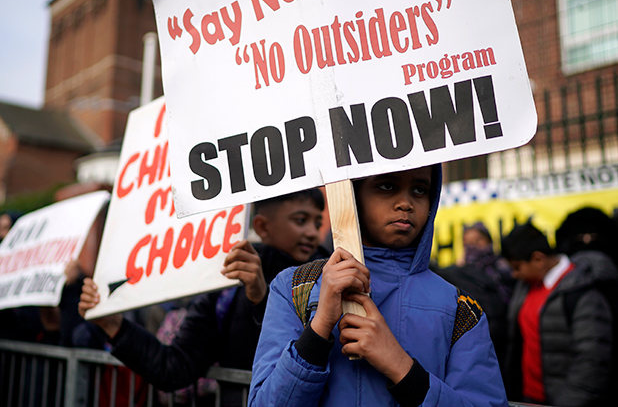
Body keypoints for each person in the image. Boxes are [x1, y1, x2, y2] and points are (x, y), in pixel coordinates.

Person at [249, 166, 507, 407]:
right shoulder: (295, 287)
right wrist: (319, 328)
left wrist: (400, 366)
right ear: (354, 194)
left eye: (420, 190)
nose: (405, 203)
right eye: (386, 186)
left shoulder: (459, 309)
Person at [78, 189, 329, 406]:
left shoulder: (333, 278)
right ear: (262, 226)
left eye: (317, 223)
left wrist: (261, 298)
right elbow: (174, 368)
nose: (311, 233)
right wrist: (113, 326)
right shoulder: (225, 283)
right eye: (300, 220)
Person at [502, 221, 616, 406]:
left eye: (517, 267)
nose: (514, 274)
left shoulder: (581, 291)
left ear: (538, 259)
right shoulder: (524, 288)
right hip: (527, 398)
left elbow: (592, 360)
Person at [433, 222, 514, 367]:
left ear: (489, 241)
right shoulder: (457, 274)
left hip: (509, 341)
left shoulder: (507, 269)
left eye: (478, 240)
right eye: (467, 243)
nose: (473, 247)